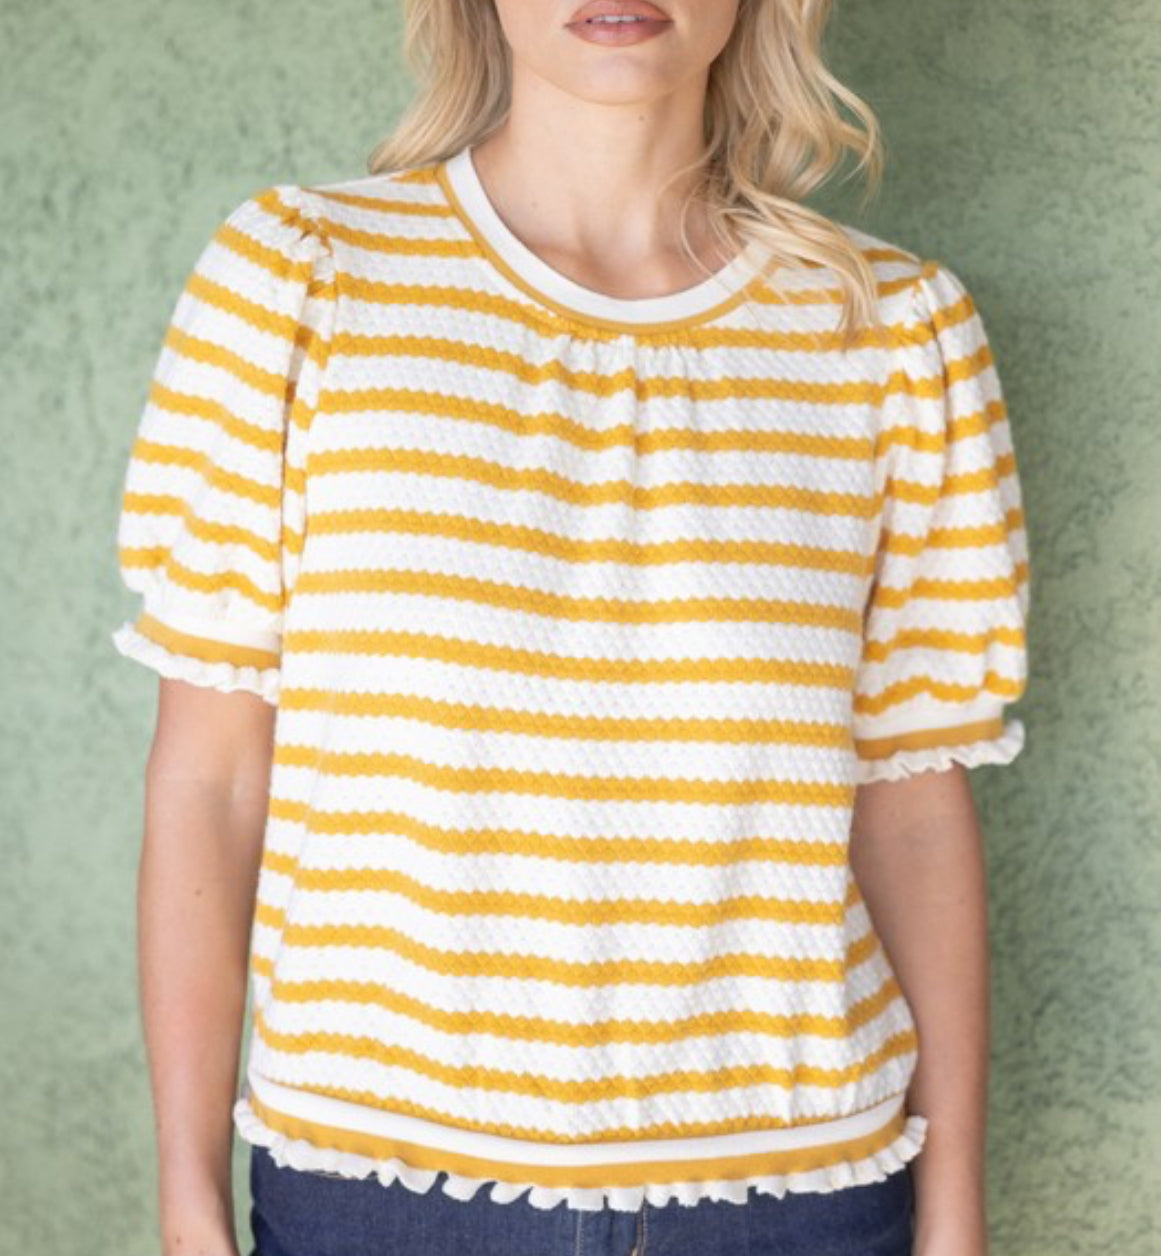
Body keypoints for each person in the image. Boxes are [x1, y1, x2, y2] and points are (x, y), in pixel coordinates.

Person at [111, 2, 1030, 1254]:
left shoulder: (896, 334)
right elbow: (210, 780)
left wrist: (956, 1205)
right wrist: (189, 1195)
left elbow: (913, 805)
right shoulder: (302, 278)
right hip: (376, 1190)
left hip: (799, 1193)